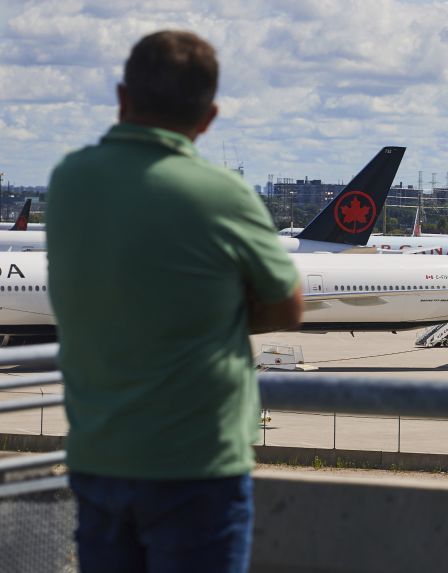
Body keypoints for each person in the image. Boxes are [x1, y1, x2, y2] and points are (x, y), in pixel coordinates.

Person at [46, 30, 302, 573]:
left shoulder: (68, 179)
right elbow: (288, 306)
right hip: (197, 463)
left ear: (122, 97)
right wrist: (218, 314)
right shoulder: (222, 193)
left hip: (98, 457)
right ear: (209, 117)